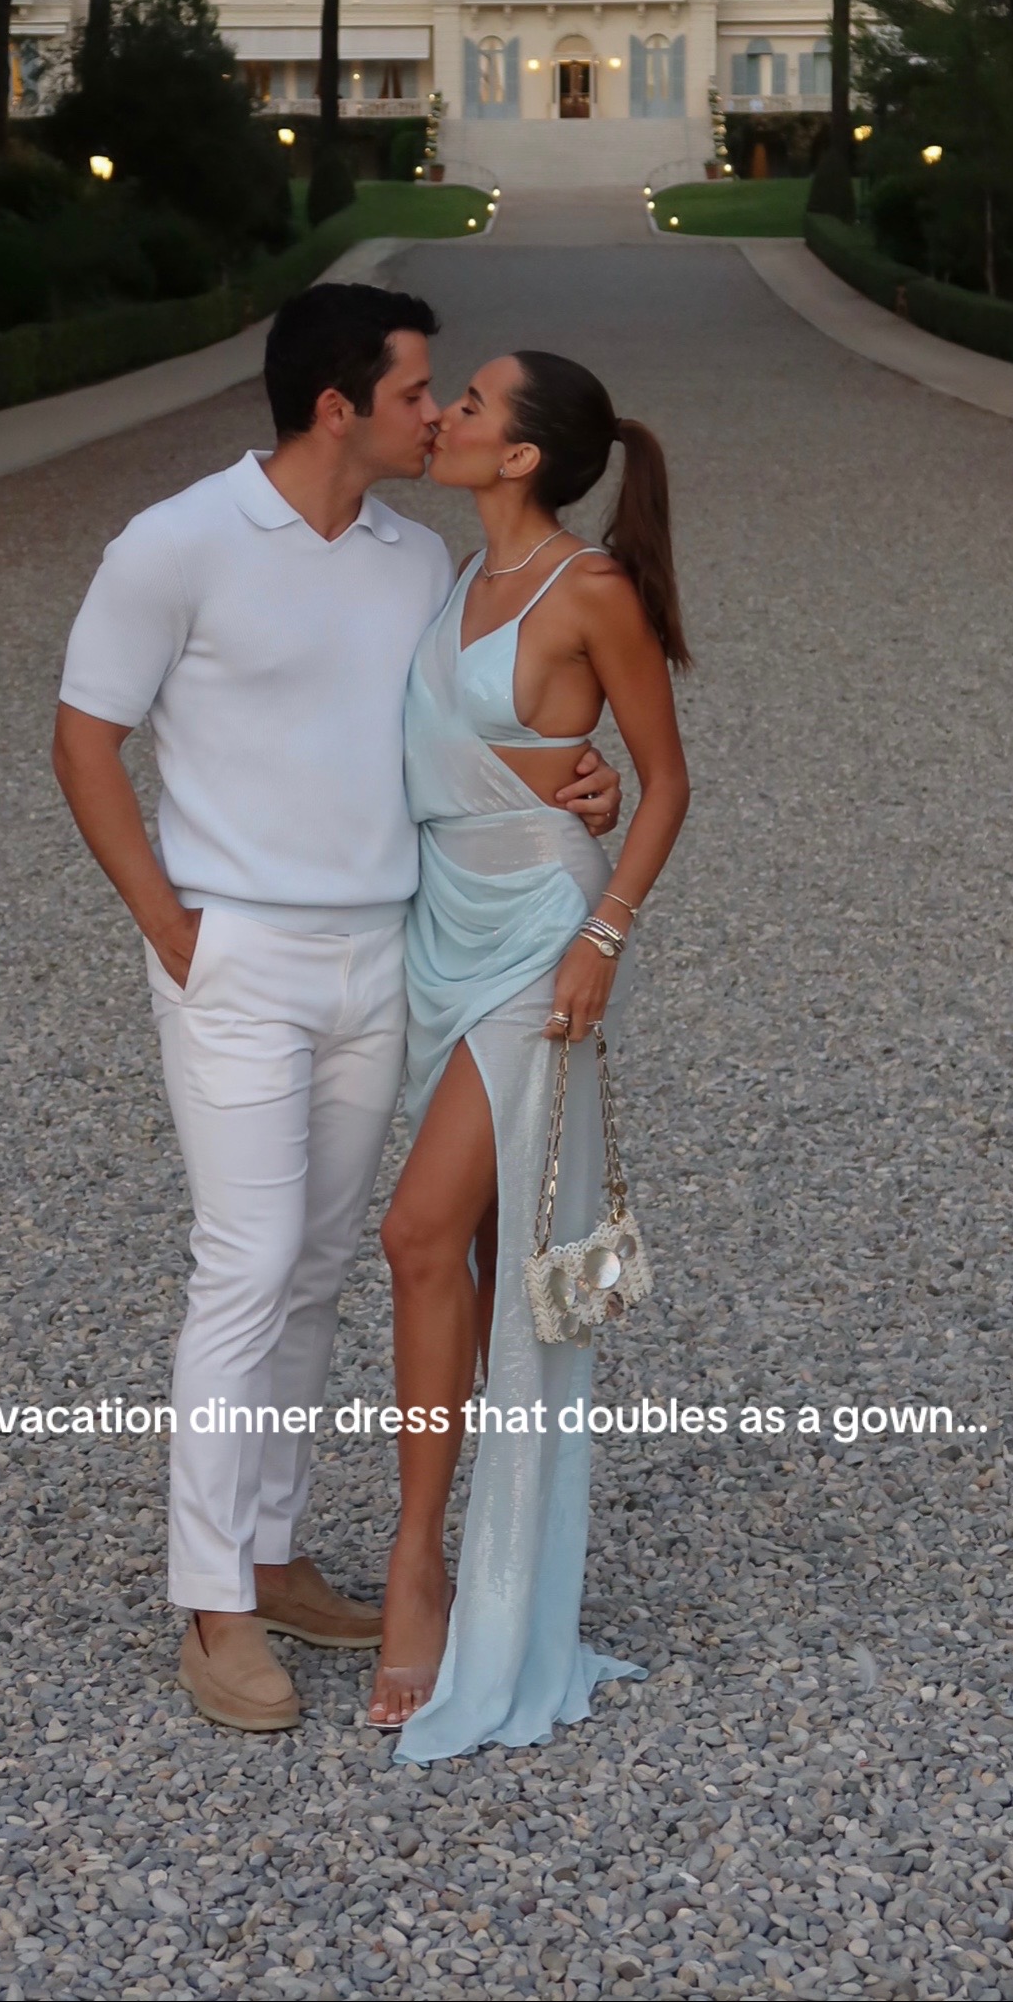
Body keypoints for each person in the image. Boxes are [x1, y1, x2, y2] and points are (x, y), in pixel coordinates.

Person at [51, 285, 621, 1736]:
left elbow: (467, 722)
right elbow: (84, 737)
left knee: (313, 1268)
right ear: (335, 406)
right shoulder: (175, 541)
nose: (435, 412)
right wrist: (169, 924)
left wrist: (576, 778)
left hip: (387, 957)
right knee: (244, 1265)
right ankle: (211, 1603)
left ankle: (273, 1549)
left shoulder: (412, 558)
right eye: (418, 389)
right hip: (235, 957)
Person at [369, 350, 691, 1758]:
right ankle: (496, 1557)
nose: (442, 412)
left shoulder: (591, 588)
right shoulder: (451, 576)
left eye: (470, 404)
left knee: (416, 1233)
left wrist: (603, 936)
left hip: (541, 939)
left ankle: (421, 1566)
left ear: (519, 456)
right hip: (441, 926)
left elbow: (665, 779)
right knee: (493, 1258)